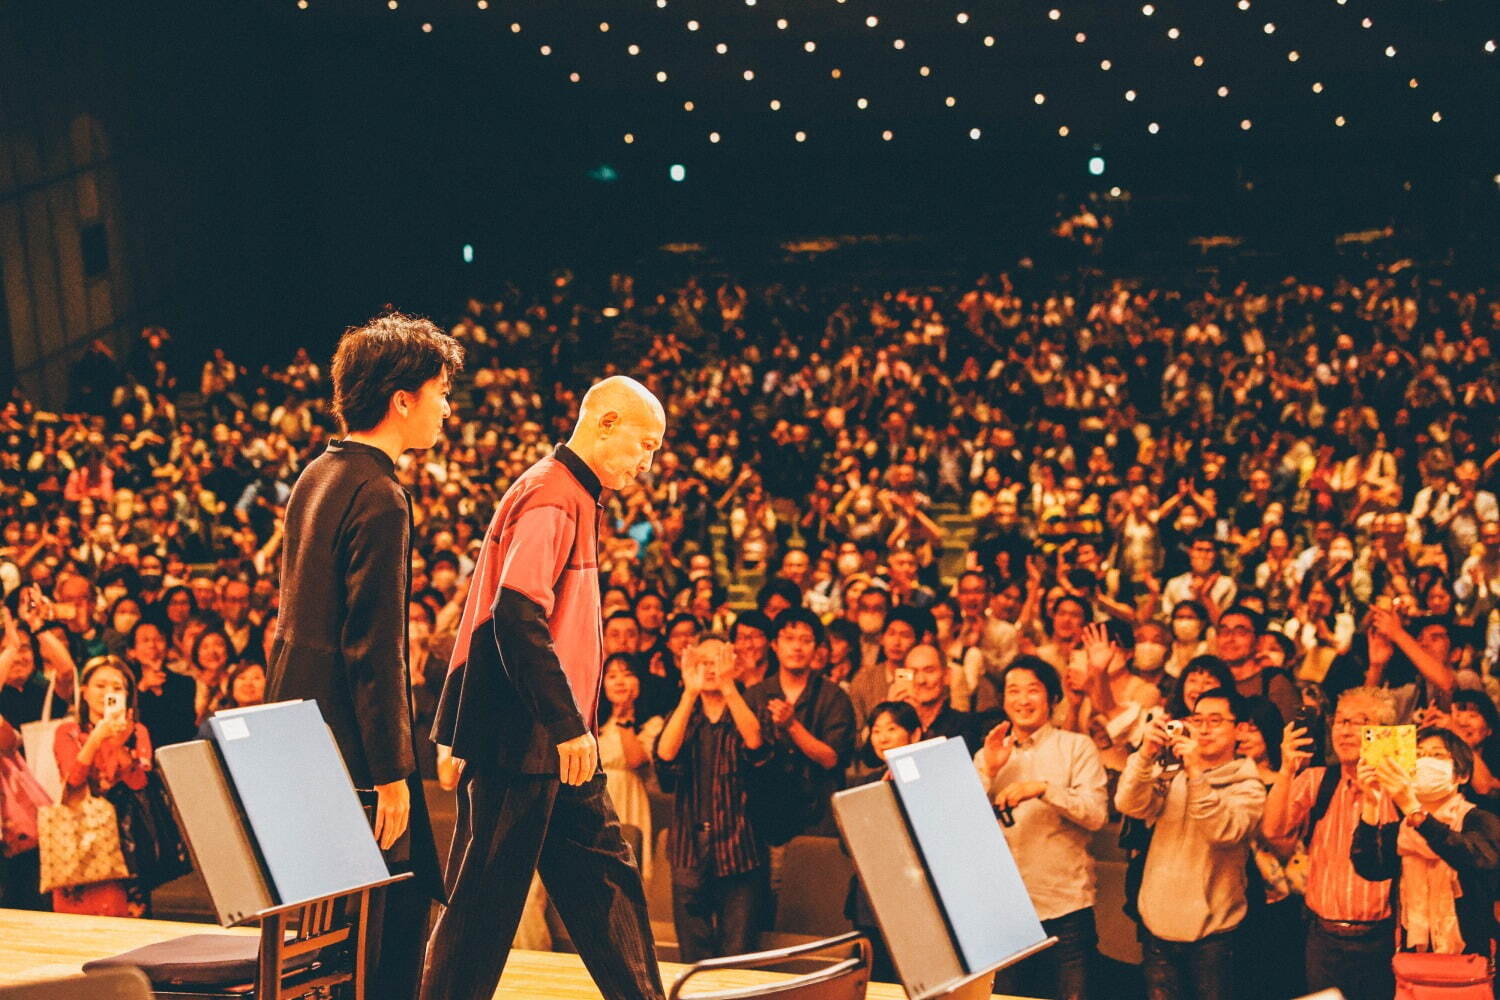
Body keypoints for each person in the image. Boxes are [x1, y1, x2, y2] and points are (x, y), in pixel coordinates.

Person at [426, 375, 667, 1000]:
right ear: (605, 423)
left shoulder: (571, 494)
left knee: (607, 879)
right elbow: (513, 613)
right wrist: (566, 725)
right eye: (645, 444)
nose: (647, 462)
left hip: (555, 739)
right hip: (528, 734)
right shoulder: (553, 494)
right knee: (485, 901)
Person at [268, 313, 461, 1000]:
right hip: (352, 748)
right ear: (401, 398)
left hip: (298, 731)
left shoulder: (318, 472)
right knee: (390, 936)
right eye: (440, 390)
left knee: (325, 946)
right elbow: (372, 648)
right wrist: (391, 776)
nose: (447, 406)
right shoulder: (381, 495)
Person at [1116, 687, 1266, 999]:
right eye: (1198, 720)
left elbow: (1223, 832)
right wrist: (1145, 754)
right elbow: (1128, 803)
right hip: (1157, 928)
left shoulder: (1248, 785)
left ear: (1239, 730)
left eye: (1216, 720)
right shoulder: (1171, 774)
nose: (1205, 728)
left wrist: (1196, 771)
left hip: (1214, 939)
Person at [977, 656, 1109, 1000]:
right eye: (1014, 691)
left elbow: (1095, 814)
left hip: (1066, 908)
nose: (1023, 700)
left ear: (1052, 698)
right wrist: (987, 772)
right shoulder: (989, 752)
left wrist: (1044, 789)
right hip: (1006, 912)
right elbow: (960, 826)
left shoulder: (1076, 747)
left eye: (1033, 690)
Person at [1261, 686, 1402, 999]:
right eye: (1340, 721)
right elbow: (1273, 830)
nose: (1346, 730)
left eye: (1360, 721)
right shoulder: (1318, 781)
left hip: (1382, 939)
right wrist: (1286, 768)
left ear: (1384, 733)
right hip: (1323, 938)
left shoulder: (1400, 788)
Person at [655, 635, 773, 961]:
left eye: (718, 660)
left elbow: (758, 746)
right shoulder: (685, 717)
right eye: (702, 662)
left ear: (733, 664)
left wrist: (729, 687)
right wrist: (689, 692)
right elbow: (664, 756)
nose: (710, 669)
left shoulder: (747, 711)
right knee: (693, 955)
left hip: (739, 846)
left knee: (738, 955)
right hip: (688, 848)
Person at [1353, 726, 1500, 956]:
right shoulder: (1403, 829)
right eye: (1419, 755)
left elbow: (1476, 859)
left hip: (1472, 961)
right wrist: (1371, 804)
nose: (1425, 762)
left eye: (1437, 755)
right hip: (1415, 963)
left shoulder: (1480, 820)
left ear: (1462, 775)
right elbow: (1370, 868)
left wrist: (1414, 810)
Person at [51, 655, 152, 917]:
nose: (109, 693)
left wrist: (119, 745)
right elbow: (73, 781)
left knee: (128, 931)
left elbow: (139, 782)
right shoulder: (68, 732)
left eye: (117, 688)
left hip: (126, 843)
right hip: (81, 842)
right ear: (84, 692)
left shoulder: (137, 731)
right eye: (100, 686)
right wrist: (97, 738)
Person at [746, 607, 855, 841]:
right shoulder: (756, 695)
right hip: (765, 822)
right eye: (789, 639)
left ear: (816, 648)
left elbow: (831, 759)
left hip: (820, 822)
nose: (797, 647)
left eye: (806, 640)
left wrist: (792, 725)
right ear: (774, 645)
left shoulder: (834, 697)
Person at [597, 653, 665, 884]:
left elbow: (636, 760)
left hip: (628, 796)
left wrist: (625, 718)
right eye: (612, 675)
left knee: (626, 872)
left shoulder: (651, 723)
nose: (619, 681)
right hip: (596, 796)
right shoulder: (594, 721)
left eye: (627, 675)